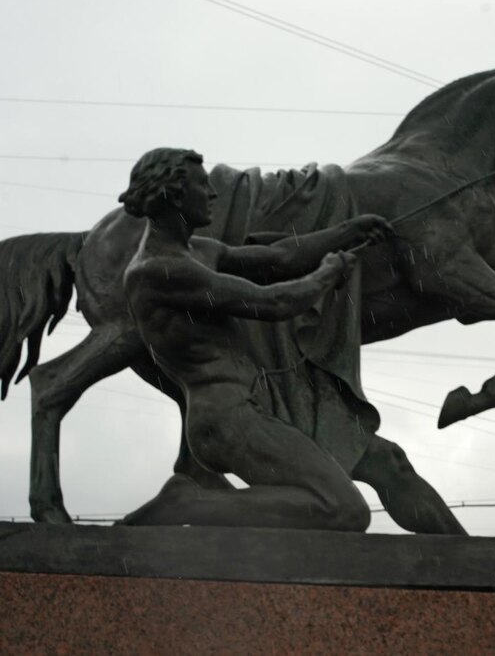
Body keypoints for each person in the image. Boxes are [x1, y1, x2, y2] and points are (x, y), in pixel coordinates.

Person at [119, 147, 387, 531]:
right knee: (343, 509)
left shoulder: (198, 251)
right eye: (202, 185)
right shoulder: (159, 271)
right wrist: (327, 275)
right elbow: (273, 301)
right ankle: (188, 504)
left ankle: (197, 506)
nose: (212, 194)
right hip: (226, 417)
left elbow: (278, 258)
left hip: (238, 411)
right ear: (176, 195)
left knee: (334, 507)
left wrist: (346, 232)